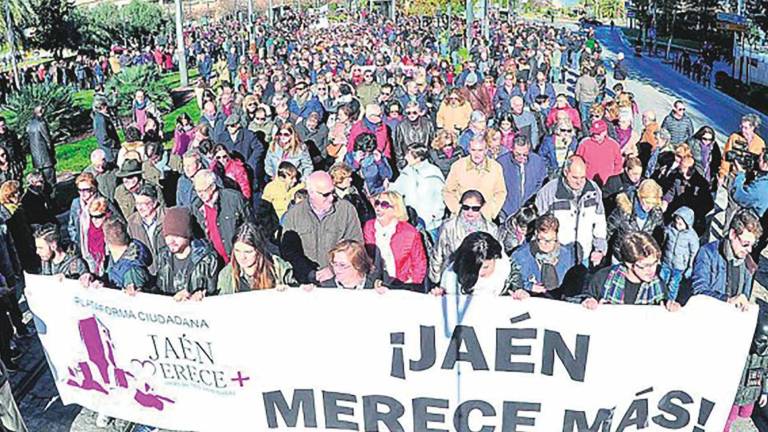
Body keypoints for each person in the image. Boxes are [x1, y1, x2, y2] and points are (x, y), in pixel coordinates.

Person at [280, 171, 363, 284]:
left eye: (332, 192)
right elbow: (289, 252)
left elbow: (356, 247)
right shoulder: (294, 215)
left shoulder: (346, 210)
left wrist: (333, 269)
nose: (331, 198)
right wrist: (309, 273)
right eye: (325, 194)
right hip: (305, 282)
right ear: (311, 192)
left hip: (338, 281)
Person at [536, 155, 608, 267]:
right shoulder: (549, 192)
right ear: (565, 172)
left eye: (582, 177)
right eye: (575, 177)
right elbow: (539, 225)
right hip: (557, 256)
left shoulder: (593, 191)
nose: (579, 182)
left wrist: (599, 248)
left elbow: (599, 221)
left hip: (585, 254)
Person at [580, 231, 680, 310]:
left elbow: (665, 301)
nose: (652, 270)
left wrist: (670, 305)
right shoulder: (603, 278)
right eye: (645, 265)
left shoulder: (658, 285)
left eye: (654, 263)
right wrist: (588, 301)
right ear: (629, 263)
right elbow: (584, 297)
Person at [692, 209, 762, 310]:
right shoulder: (707, 253)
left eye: (752, 245)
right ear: (732, 234)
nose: (749, 250)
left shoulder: (747, 263)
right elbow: (698, 292)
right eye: (745, 244)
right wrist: (727, 300)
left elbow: (744, 296)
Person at [430, 190, 498, 284]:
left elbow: (496, 259)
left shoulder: (491, 229)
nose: (470, 212)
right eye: (466, 207)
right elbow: (437, 255)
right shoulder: (448, 226)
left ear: (482, 207)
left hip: (480, 280)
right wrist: (436, 281)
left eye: (475, 208)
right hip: (452, 277)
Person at [152, 207, 220, 299]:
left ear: (188, 235)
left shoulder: (207, 259)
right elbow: (158, 290)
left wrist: (200, 294)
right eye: (167, 236)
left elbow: (215, 291)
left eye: (176, 236)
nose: (171, 241)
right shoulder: (163, 257)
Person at [363, 191, 427, 287]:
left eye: (384, 205)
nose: (378, 208)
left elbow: (419, 263)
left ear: (396, 209)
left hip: (402, 283)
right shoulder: (369, 226)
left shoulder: (409, 232)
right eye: (377, 203)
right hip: (375, 283)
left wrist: (411, 284)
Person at [191, 169, 253, 263]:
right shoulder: (197, 207)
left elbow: (251, 225)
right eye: (198, 191)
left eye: (203, 190)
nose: (201, 195)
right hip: (216, 261)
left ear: (212, 186)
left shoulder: (234, 199)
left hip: (238, 257)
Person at [510, 214, 577, 299]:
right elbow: (512, 281)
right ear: (536, 233)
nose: (546, 244)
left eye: (551, 240)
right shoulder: (520, 255)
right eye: (542, 239)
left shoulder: (567, 255)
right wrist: (528, 287)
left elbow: (573, 285)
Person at [79, 217, 152, 294]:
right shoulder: (113, 257)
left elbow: (139, 300)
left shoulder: (132, 271)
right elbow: (110, 279)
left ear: (105, 239)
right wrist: (94, 279)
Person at [431, 231, 519, 296]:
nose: (480, 272)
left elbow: (516, 287)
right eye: (474, 268)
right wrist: (441, 295)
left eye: (485, 267)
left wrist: (520, 293)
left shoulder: (506, 269)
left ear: (495, 258)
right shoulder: (451, 276)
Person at [217, 223, 296, 294]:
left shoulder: (278, 268)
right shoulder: (226, 275)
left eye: (248, 252)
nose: (242, 257)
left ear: (259, 250)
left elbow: (297, 292)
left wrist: (288, 291)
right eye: (237, 251)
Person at [443, 135, 507, 221]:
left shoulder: (495, 167)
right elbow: (448, 191)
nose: (477, 154)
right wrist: (459, 210)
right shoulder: (458, 166)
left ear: (486, 150)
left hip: (485, 219)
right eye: (473, 150)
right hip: (461, 219)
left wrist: (489, 212)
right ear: (469, 149)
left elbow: (500, 193)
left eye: (480, 150)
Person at [389, 145, 446, 236]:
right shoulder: (407, 171)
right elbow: (397, 188)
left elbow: (441, 197)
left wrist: (435, 215)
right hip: (411, 219)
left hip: (431, 224)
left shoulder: (433, 173)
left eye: (409, 155)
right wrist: (389, 187)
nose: (405, 157)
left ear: (418, 158)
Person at [606, 179, 665, 262]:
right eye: (647, 202)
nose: (649, 206)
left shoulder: (656, 213)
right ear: (639, 196)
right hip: (621, 257)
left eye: (653, 203)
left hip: (642, 260)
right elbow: (608, 230)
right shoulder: (623, 209)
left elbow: (659, 237)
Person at [498, 135, 547, 220]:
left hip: (529, 213)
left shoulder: (537, 161)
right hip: (506, 212)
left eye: (525, 154)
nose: (521, 157)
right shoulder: (501, 163)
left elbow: (541, 183)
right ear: (512, 149)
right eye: (517, 154)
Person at [311, 240, 385, 290]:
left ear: (358, 265)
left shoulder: (374, 288)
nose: (337, 269)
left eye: (342, 265)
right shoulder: (324, 288)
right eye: (334, 263)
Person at [660, 207, 699, 302]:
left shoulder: (691, 236)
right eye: (676, 222)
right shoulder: (671, 228)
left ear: (687, 223)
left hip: (680, 266)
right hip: (667, 261)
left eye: (680, 224)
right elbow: (664, 241)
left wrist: (690, 266)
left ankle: (670, 301)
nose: (677, 225)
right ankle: (659, 298)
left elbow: (694, 252)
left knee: (673, 284)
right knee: (661, 280)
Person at [126, 184, 165, 275]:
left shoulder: (167, 218)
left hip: (168, 271)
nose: (140, 208)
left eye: (145, 204)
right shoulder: (132, 222)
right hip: (148, 272)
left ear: (155, 203)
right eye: (138, 204)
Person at [576, 119, 623, 186]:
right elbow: (578, 162)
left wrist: (612, 179)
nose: (595, 135)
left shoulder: (613, 145)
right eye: (594, 132)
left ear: (605, 132)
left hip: (607, 184)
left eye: (598, 133)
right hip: (589, 183)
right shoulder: (584, 144)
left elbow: (618, 164)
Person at [720, 114, 765, 181]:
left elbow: (762, 163)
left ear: (753, 128)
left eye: (746, 128)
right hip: (733, 176)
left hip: (749, 179)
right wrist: (722, 175)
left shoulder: (760, 143)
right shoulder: (734, 137)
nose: (743, 130)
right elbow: (725, 158)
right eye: (742, 127)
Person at [393, 101, 435, 169]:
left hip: (424, 160)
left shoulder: (428, 123)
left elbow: (432, 142)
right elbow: (397, 147)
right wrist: (402, 162)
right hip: (408, 161)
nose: (411, 115)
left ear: (419, 112)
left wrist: (431, 159)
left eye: (414, 112)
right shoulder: (401, 126)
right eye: (409, 113)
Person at [26, 105, 55, 199]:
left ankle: (45, 202)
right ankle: (53, 204)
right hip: (45, 158)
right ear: (41, 112)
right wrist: (52, 154)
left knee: (41, 184)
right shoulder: (41, 123)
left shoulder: (29, 124)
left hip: (36, 160)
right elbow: (48, 140)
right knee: (51, 183)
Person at [731, 150, 768, 218]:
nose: (757, 161)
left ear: (765, 164)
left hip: (753, 221)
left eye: (759, 160)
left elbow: (738, 195)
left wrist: (740, 175)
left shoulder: (759, 188)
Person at [92, 97, 120, 163]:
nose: (107, 108)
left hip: (111, 151)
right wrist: (114, 144)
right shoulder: (100, 119)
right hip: (110, 153)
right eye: (106, 106)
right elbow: (103, 138)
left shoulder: (101, 117)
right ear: (102, 107)